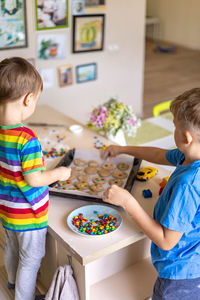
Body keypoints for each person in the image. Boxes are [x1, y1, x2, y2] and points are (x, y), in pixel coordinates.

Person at [102, 88, 200, 300]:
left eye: (173, 125)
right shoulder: (189, 156)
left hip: (180, 276)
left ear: (186, 137)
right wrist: (122, 149)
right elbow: (158, 154)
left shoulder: (188, 183)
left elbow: (166, 241)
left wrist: (128, 202)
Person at [0, 57, 71, 300]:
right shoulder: (27, 138)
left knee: (12, 249)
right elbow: (34, 179)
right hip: (28, 215)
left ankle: (10, 281)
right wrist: (59, 173)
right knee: (30, 260)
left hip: (7, 210)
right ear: (28, 99)